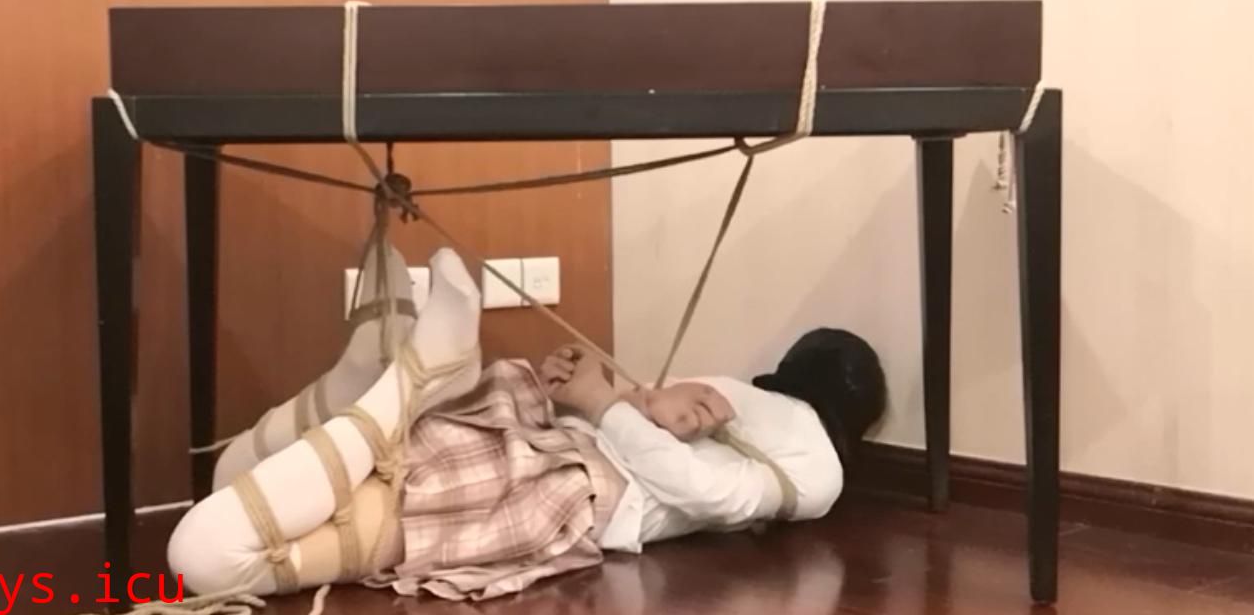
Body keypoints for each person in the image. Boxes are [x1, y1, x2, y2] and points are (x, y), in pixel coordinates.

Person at [167, 245, 886, 602]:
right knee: (220, 507)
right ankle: (384, 383)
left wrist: (604, 403)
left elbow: (706, 493)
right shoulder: (742, 402)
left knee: (211, 536)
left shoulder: (815, 471)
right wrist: (605, 394)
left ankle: (399, 383)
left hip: (569, 488)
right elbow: (655, 427)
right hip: (556, 451)